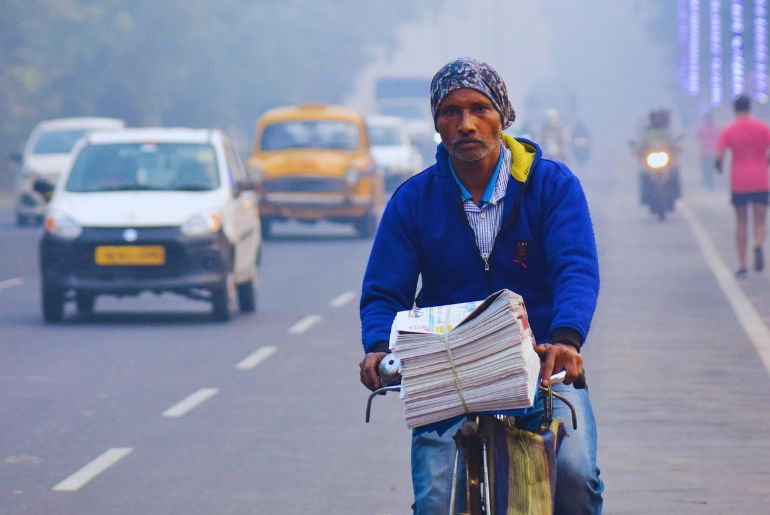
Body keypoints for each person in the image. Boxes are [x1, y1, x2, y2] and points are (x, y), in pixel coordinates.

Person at [358, 57, 603, 514]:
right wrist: (377, 346)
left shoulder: (551, 186)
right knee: (435, 501)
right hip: (445, 371)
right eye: (450, 112)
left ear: (503, 115)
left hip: (540, 367)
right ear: (437, 124)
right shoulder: (414, 200)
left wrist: (566, 340)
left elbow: (576, 268)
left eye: (479, 109)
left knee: (574, 475)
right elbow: (384, 291)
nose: (465, 124)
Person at [716, 94, 770, 277]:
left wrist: (718, 167)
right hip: (760, 180)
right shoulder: (762, 128)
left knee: (740, 222)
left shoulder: (730, 130)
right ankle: (758, 243)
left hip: (739, 182)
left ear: (734, 109)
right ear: (749, 108)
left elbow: (720, 155)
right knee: (760, 221)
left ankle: (743, 265)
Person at [696, 111, 721, 190]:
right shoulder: (703, 129)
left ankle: (710, 184)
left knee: (710, 169)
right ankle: (708, 183)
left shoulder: (715, 129)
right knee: (706, 170)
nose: (709, 120)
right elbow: (698, 139)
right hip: (705, 154)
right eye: (707, 118)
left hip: (711, 153)